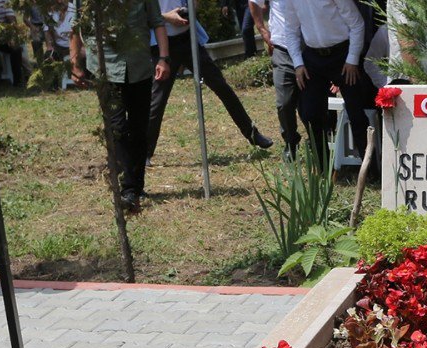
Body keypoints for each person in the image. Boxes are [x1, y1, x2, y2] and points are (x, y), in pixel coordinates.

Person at [70, 0, 172, 212]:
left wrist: (163, 58)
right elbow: (76, 27)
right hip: (105, 68)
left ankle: (136, 185)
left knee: (138, 129)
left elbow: (157, 22)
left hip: (139, 66)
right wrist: (75, 64)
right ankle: (127, 188)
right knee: (117, 129)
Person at [146, 0, 273, 164]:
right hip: (162, 46)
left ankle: (252, 134)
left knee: (221, 86)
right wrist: (167, 17)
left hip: (188, 39)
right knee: (157, 100)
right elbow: (140, 14)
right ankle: (145, 152)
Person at [284, 0, 369, 165]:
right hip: (312, 57)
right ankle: (323, 170)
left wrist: (352, 60)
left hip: (342, 54)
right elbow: (290, 30)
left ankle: (370, 169)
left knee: (356, 112)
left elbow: (357, 24)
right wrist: (298, 64)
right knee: (310, 113)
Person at [249, 0, 302, 158]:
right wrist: (262, 29)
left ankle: (321, 141)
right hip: (282, 48)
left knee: (310, 107)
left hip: (309, 47)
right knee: (284, 103)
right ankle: (291, 142)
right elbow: (254, 2)